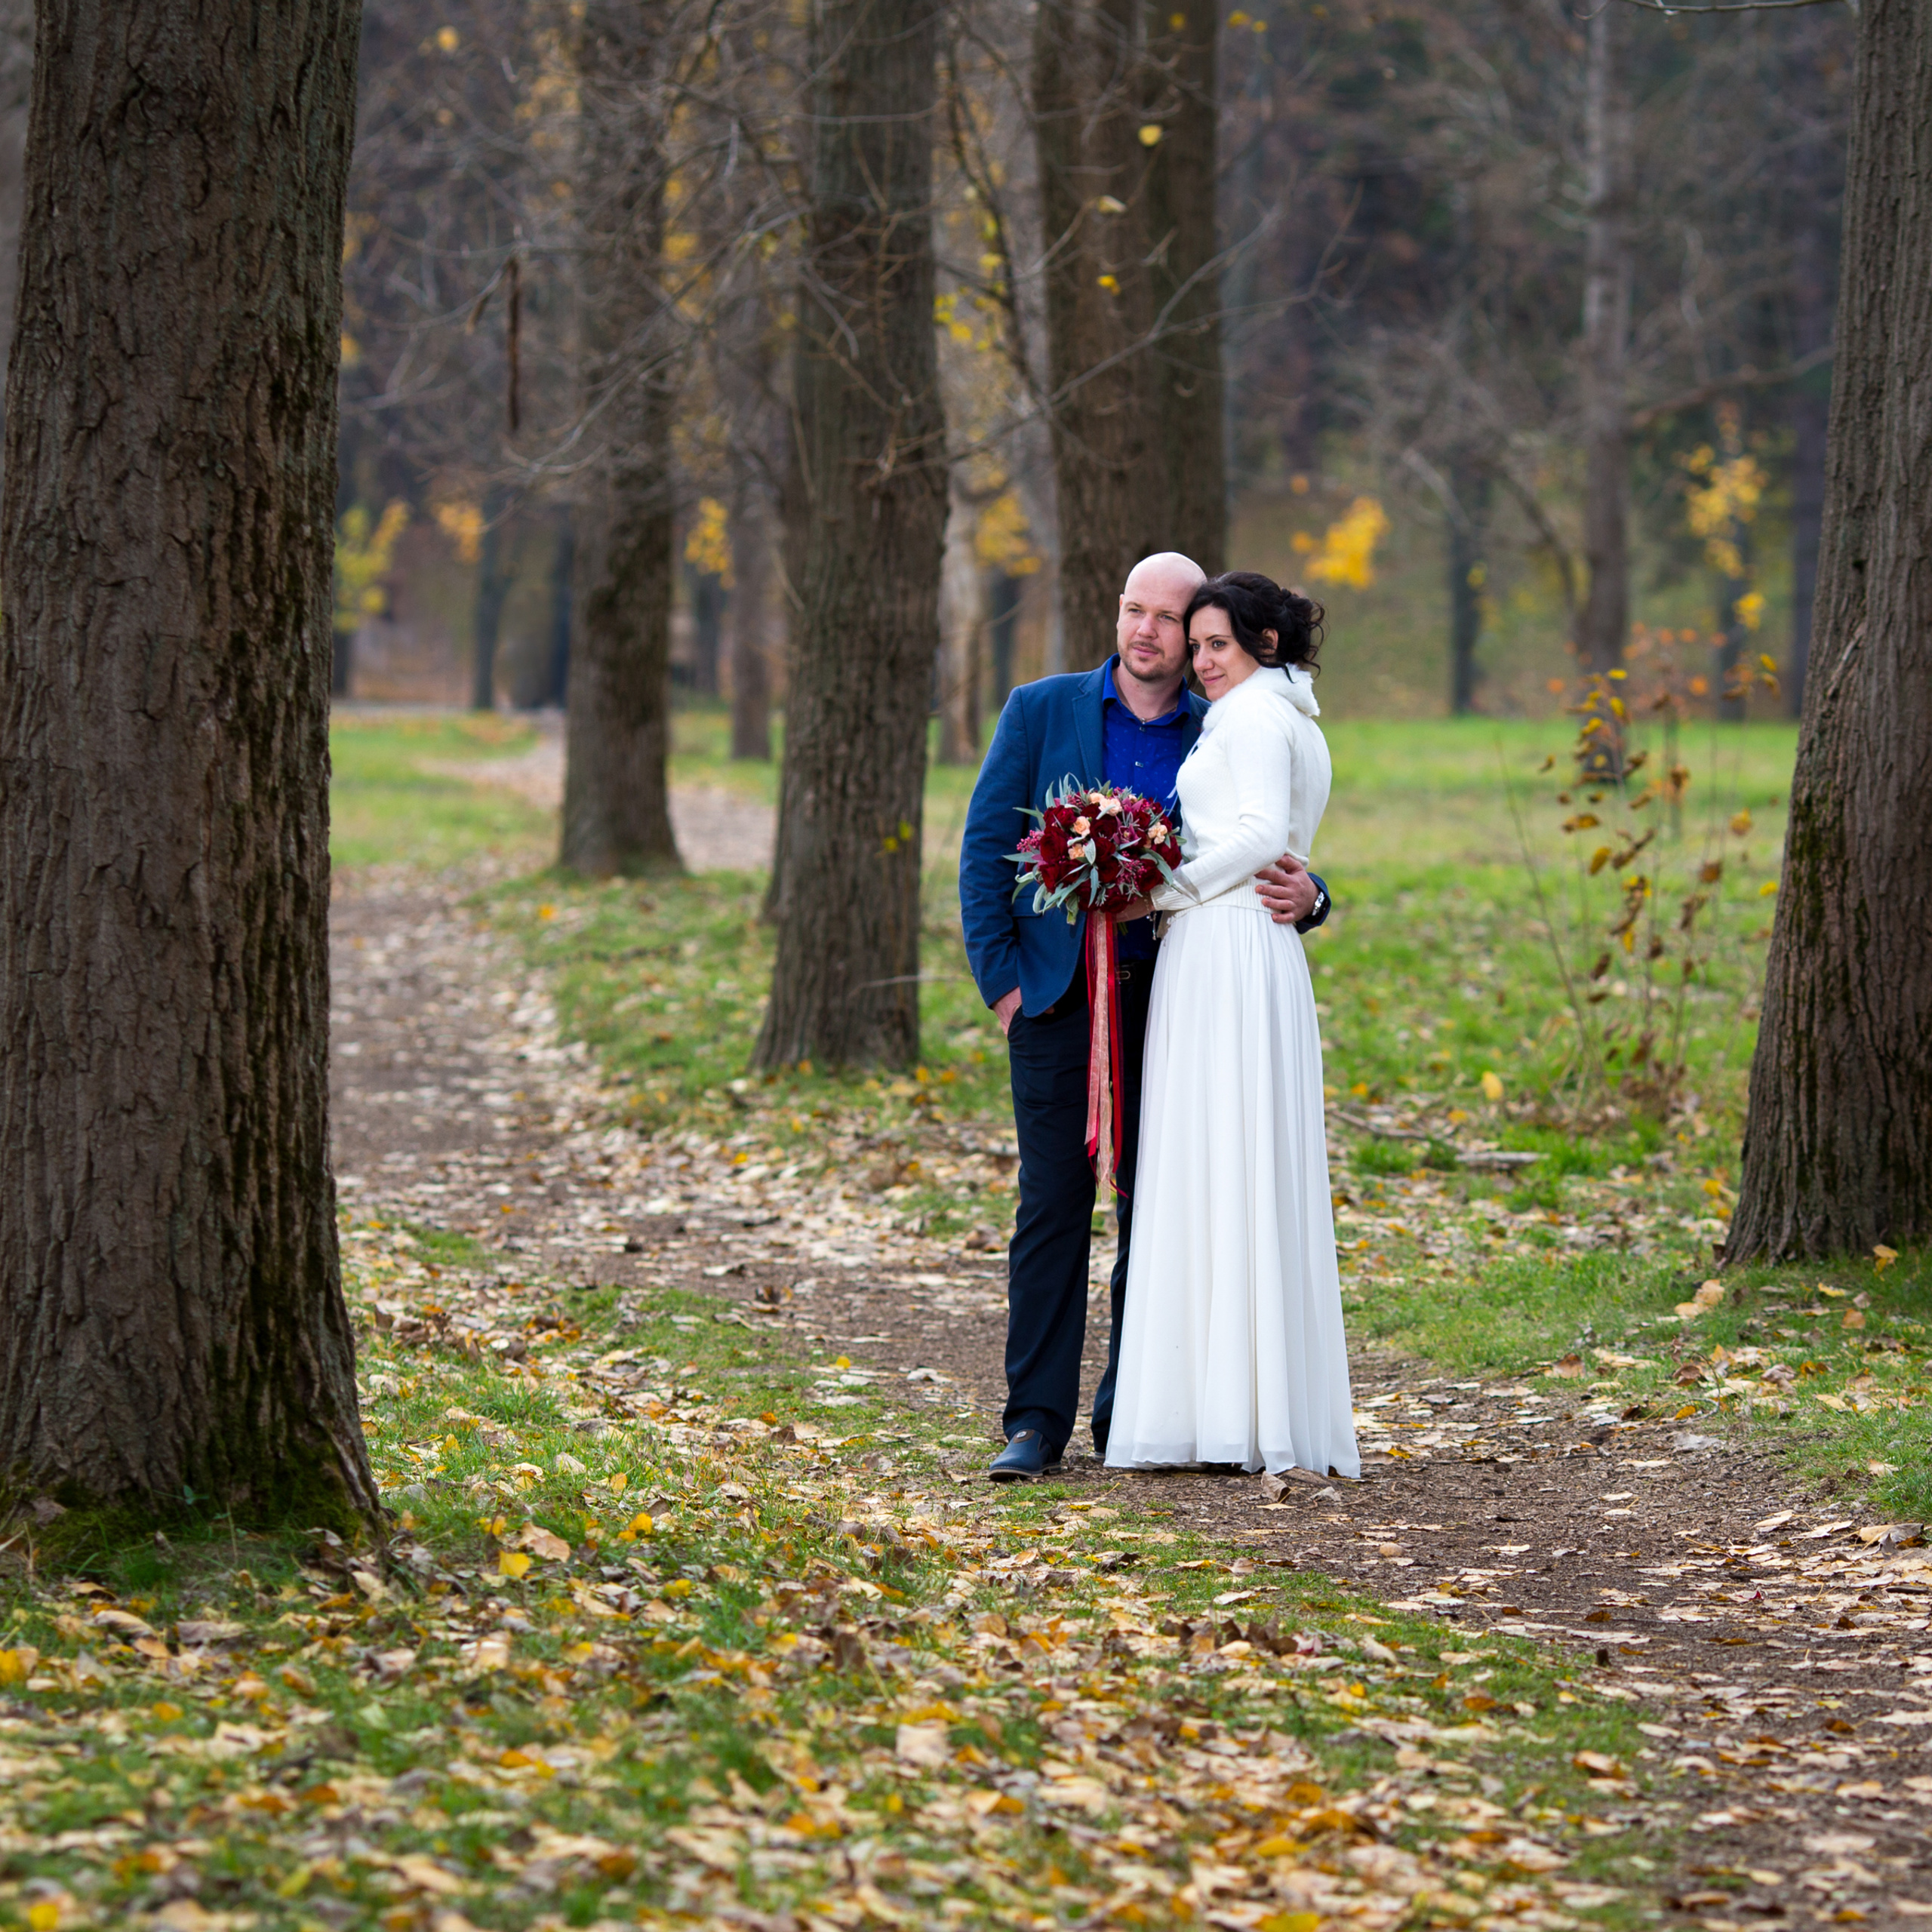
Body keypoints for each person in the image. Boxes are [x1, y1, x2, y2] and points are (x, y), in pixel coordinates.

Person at [958, 553, 1333, 1482]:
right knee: (1051, 1206)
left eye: (1173, 619)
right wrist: (1003, 984)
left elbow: (1264, 830)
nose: (1150, 633)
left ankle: (1135, 1408)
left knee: (1159, 1208)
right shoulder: (1041, 709)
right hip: (1053, 1000)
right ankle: (1033, 1422)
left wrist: (1315, 895)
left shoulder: (1228, 714)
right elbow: (983, 844)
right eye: (1136, 610)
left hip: (1172, 1001)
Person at [1103, 571, 1358, 1478]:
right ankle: (1245, 1403)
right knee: (1239, 1166)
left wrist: (1153, 897)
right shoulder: (1290, 715)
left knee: (1217, 1162)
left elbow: (1255, 836)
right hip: (1251, 950)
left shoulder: (1251, 715)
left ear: (1265, 644)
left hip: (1223, 948)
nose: (1203, 661)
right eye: (1199, 643)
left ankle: (1219, 1410)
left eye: (1219, 643)